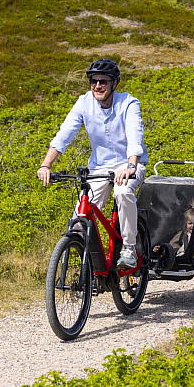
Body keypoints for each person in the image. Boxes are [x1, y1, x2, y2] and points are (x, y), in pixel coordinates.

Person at [38, 58, 147, 268]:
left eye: (103, 81)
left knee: (123, 193)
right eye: (94, 81)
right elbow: (64, 134)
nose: (98, 86)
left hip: (130, 165)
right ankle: (86, 266)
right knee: (81, 217)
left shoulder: (128, 103)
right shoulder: (84, 102)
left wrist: (131, 166)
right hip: (100, 168)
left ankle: (129, 248)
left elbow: (135, 136)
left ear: (114, 83)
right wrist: (46, 165)